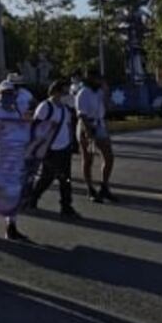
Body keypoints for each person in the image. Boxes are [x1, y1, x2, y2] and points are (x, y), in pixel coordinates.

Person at [0, 80, 31, 240]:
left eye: (11, 94)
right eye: (5, 94)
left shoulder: (16, 113)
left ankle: (11, 226)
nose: (9, 97)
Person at [28, 79, 80, 219]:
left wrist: (71, 143)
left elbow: (68, 126)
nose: (66, 94)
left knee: (66, 179)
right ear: (56, 91)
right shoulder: (45, 107)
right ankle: (32, 198)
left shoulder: (64, 109)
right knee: (47, 178)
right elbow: (36, 126)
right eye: (64, 91)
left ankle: (66, 206)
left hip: (64, 148)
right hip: (50, 150)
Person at [76, 70, 118, 203]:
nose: (100, 82)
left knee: (109, 156)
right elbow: (81, 115)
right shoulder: (83, 93)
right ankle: (90, 188)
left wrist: (106, 93)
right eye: (98, 79)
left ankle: (104, 186)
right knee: (88, 159)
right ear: (91, 79)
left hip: (100, 125)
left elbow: (109, 107)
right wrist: (88, 132)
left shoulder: (99, 93)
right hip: (87, 125)